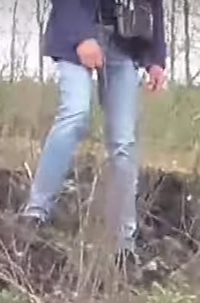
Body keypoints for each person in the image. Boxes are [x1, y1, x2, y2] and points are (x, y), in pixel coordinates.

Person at [19, 0, 169, 270]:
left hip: (124, 43)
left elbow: (152, 5)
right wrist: (82, 37)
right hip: (78, 36)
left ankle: (124, 246)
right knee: (75, 115)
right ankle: (35, 214)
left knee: (124, 144)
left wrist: (156, 60)